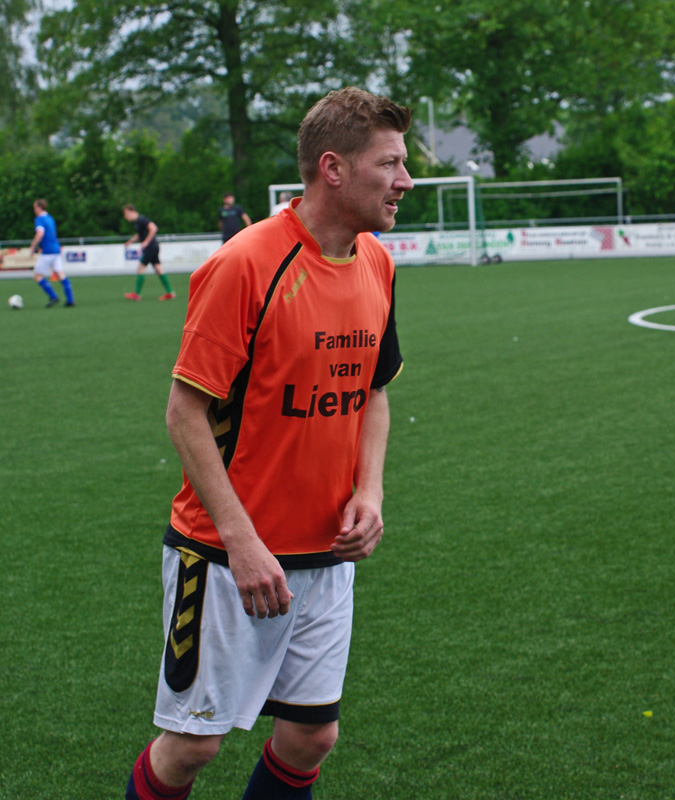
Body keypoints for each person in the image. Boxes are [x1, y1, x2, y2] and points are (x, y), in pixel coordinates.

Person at [124, 87, 413, 800]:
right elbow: (185, 412)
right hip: (227, 557)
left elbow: (373, 391)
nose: (405, 181)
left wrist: (369, 491)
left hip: (326, 554)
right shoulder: (247, 263)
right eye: (390, 164)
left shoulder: (377, 263)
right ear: (333, 168)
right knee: (192, 747)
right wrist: (242, 539)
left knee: (311, 737)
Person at [123, 205, 176, 301]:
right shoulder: (137, 222)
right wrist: (130, 242)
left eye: (126, 214)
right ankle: (170, 293)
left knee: (141, 268)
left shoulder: (142, 219)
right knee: (158, 269)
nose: (125, 216)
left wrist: (146, 242)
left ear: (132, 211)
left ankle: (136, 294)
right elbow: (139, 235)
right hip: (153, 247)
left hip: (151, 247)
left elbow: (153, 228)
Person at [29, 198, 74, 307]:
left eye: (35, 207)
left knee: (37, 276)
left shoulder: (39, 219)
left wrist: (33, 245)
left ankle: (53, 296)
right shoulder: (50, 218)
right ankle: (70, 300)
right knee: (60, 274)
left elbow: (40, 233)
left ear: (39, 207)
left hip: (47, 252)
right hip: (56, 249)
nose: (34, 209)